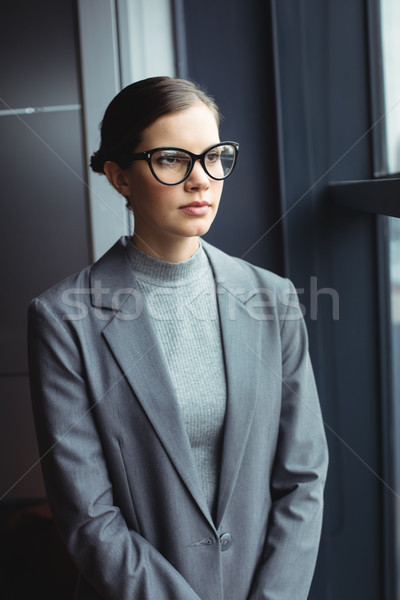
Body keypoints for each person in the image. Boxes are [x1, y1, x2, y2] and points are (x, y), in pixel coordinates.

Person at [28, 76, 328, 600]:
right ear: (120, 177)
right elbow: (88, 515)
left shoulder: (272, 298)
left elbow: (302, 478)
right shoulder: (62, 318)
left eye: (214, 157)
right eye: (171, 159)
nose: (201, 180)